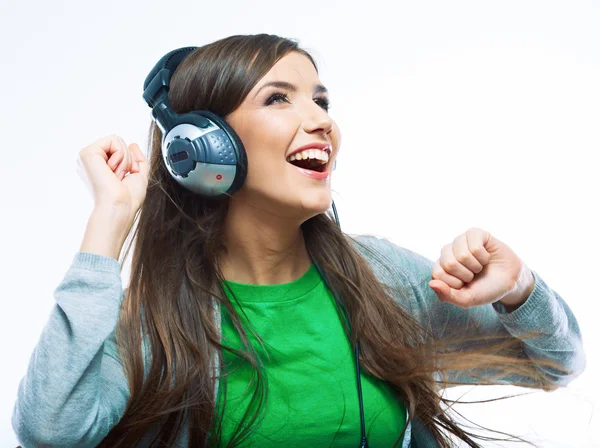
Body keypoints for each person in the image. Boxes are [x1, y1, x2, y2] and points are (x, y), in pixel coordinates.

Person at [12, 34, 585, 448]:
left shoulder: (384, 280)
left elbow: (553, 365)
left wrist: (518, 290)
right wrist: (108, 224)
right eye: (278, 98)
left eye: (322, 100)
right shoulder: (154, 322)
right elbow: (49, 429)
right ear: (204, 149)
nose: (321, 120)